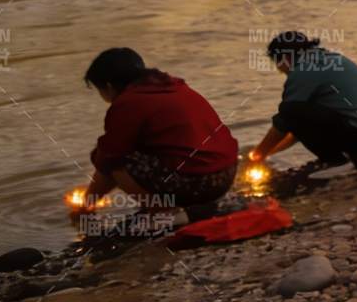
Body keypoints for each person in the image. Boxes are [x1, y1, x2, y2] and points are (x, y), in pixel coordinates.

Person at [75, 48, 238, 223]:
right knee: (116, 152)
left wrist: (86, 205)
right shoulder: (177, 87)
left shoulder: (127, 103)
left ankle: (164, 212)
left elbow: (109, 157)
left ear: (108, 86)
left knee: (111, 157)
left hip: (197, 183)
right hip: (225, 175)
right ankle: (185, 207)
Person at [250, 33, 357, 172]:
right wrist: (269, 153)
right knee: (297, 112)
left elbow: (286, 119)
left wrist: (257, 155)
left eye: (277, 62)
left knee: (289, 109)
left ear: (285, 58)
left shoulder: (303, 70)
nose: (279, 70)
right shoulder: (328, 58)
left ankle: (337, 161)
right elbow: (300, 127)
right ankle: (350, 157)